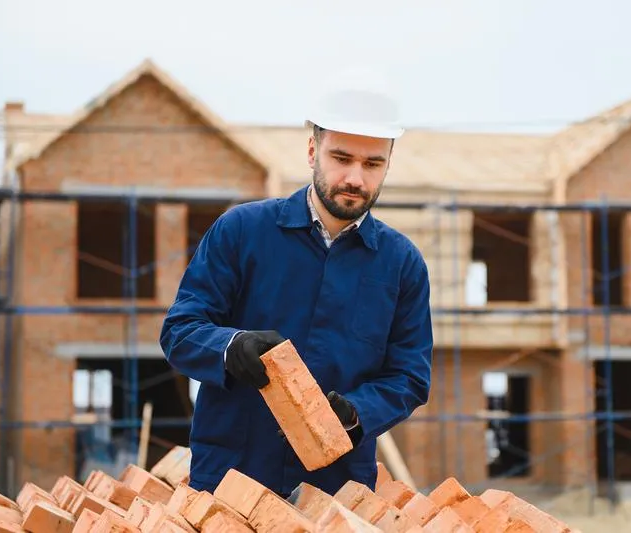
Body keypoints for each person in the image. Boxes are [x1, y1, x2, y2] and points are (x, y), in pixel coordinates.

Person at [159, 69, 434, 498]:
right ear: (312, 151)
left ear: (387, 164)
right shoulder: (241, 231)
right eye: (341, 158)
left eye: (372, 164)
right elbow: (179, 331)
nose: (356, 179)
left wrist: (357, 412)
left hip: (334, 488)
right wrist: (231, 346)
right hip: (231, 478)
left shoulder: (402, 265)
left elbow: (409, 376)